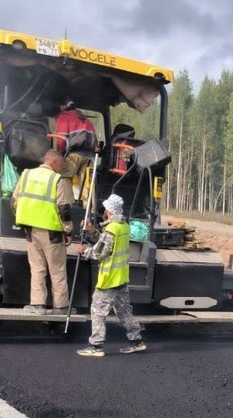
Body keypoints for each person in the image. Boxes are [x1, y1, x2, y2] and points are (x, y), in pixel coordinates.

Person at [75, 193, 146, 358]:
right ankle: (137, 342)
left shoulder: (111, 229)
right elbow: (106, 243)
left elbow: (100, 252)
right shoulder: (124, 226)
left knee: (97, 311)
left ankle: (96, 345)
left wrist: (84, 250)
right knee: (124, 311)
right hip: (121, 277)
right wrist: (93, 231)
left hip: (109, 278)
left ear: (108, 210)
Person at [12, 149, 73, 315]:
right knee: (57, 269)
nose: (62, 167)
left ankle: (38, 305)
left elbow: (14, 201)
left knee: (37, 268)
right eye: (61, 164)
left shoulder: (26, 175)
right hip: (52, 232)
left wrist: (23, 218)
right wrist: (67, 231)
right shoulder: (56, 179)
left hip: (30, 229)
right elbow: (64, 209)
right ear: (53, 162)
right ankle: (60, 307)